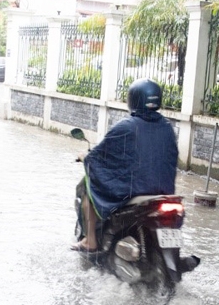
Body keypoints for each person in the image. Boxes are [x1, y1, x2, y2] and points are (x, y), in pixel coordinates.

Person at [73, 78, 178, 252]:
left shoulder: (126, 127)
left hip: (134, 189)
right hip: (162, 190)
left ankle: (90, 240)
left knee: (86, 188)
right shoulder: (167, 127)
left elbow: (101, 156)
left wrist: (86, 157)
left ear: (133, 100)